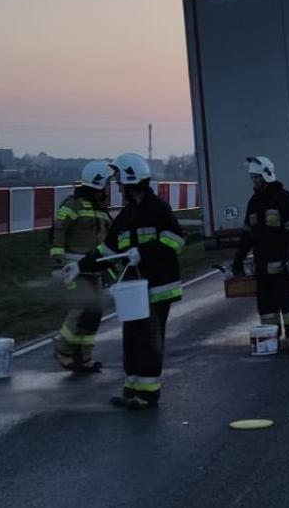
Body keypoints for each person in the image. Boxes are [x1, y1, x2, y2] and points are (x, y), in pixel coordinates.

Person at [105, 153, 187, 411]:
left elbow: (176, 240)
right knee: (132, 338)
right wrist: (80, 266)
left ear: (130, 179)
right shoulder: (127, 214)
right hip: (135, 290)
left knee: (150, 339)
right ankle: (132, 389)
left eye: (119, 179)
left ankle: (148, 394)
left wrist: (145, 252)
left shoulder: (157, 209)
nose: (117, 185)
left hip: (158, 288)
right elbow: (108, 248)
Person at [48, 160, 118, 373]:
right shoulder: (73, 205)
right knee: (81, 307)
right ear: (97, 183)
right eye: (107, 183)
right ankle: (63, 350)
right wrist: (58, 263)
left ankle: (83, 357)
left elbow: (109, 240)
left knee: (95, 312)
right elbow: (58, 231)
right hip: (73, 269)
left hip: (94, 269)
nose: (109, 188)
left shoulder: (101, 210)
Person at [234, 156, 289, 353]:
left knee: (287, 302)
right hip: (262, 265)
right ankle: (269, 339)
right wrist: (239, 257)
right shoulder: (254, 202)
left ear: (266, 175)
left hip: (282, 263)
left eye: (256, 177)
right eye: (252, 178)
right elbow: (247, 233)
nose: (254, 181)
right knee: (266, 306)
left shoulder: (283, 198)